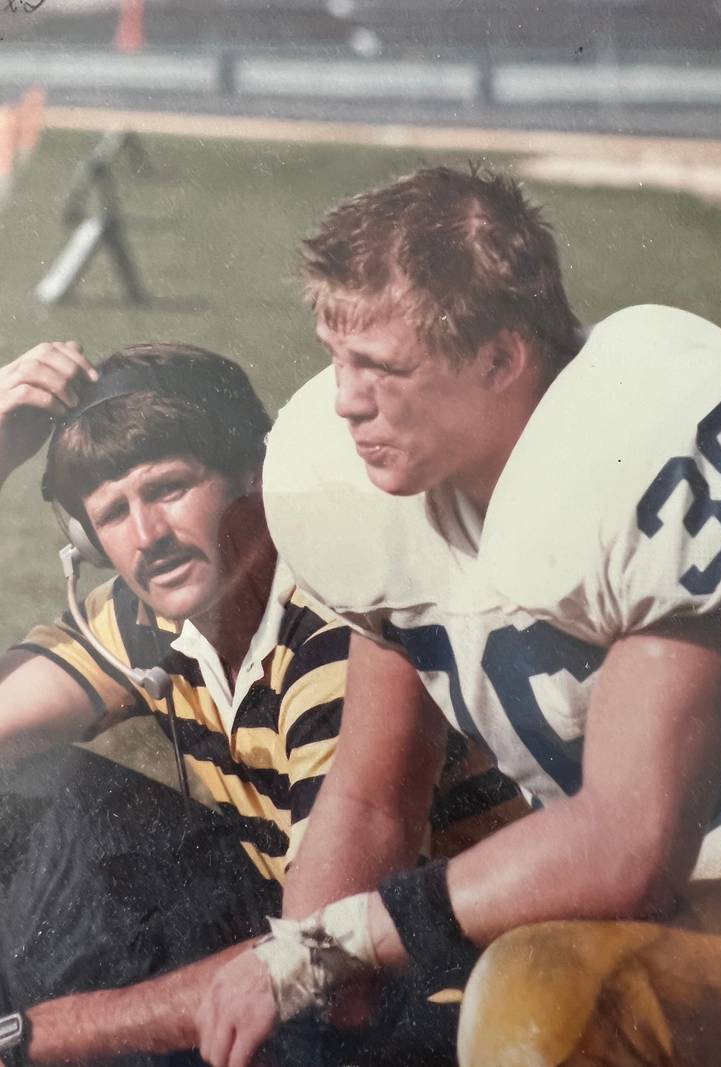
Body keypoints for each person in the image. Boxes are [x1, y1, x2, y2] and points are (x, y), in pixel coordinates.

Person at [197, 166, 721, 1067]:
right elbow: (369, 796)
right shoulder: (401, 495)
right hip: (647, 910)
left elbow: (631, 843)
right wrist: (304, 968)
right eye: (337, 357)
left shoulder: (632, 447)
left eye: (381, 366)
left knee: (540, 1001)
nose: (346, 399)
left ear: (501, 358)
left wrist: (342, 940)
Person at [0, 338, 525, 1066]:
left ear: (255, 474)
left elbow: (310, 968)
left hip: (428, 991)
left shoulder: (335, 629)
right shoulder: (146, 619)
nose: (147, 534)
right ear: (85, 538)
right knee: (16, 793)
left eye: (168, 488)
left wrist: (35, 1037)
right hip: (299, 938)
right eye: (114, 512)